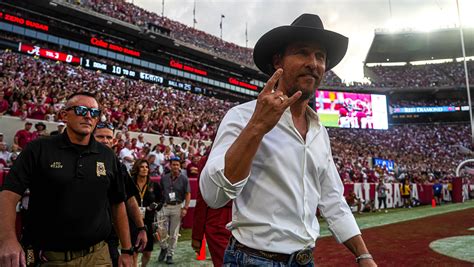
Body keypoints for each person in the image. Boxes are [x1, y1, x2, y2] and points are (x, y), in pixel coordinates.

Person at [200, 14, 376, 266]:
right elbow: (213, 195)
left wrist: (363, 254)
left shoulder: (319, 131)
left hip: (304, 260)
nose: (313, 63)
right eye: (302, 52)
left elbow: (333, 199)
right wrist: (257, 127)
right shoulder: (242, 117)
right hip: (252, 259)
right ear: (277, 61)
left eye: (320, 56)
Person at [0, 92, 133, 266]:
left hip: (98, 256)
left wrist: (127, 249)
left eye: (94, 112)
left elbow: (118, 203)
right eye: (81, 110)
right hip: (49, 257)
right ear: (64, 115)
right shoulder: (38, 149)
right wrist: (7, 239)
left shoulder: (108, 156)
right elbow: (9, 194)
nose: (88, 116)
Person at [93, 122, 148, 267]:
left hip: (108, 234)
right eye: (100, 136)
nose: (105, 140)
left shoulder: (117, 166)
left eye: (108, 137)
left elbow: (129, 199)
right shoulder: (80, 161)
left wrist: (141, 228)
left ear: (114, 141)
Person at [192, 149, 232, 267]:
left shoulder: (209, 160)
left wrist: (197, 236)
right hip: (245, 216)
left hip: (218, 218)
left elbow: (203, 198)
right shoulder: (250, 151)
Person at [129, 159, 163, 267]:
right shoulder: (130, 183)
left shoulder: (154, 185)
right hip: (133, 222)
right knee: (134, 251)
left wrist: (155, 206)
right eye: (142, 167)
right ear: (137, 168)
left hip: (148, 222)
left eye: (147, 167)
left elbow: (161, 200)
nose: (145, 169)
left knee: (147, 252)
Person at [158, 156, 191, 264]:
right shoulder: (164, 178)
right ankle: (164, 247)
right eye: (173, 164)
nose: (175, 166)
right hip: (165, 206)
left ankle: (169, 254)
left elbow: (187, 194)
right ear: (170, 165)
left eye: (177, 164)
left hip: (177, 206)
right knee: (160, 230)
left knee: (174, 233)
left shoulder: (184, 179)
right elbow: (160, 192)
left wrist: (185, 208)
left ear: (180, 166)